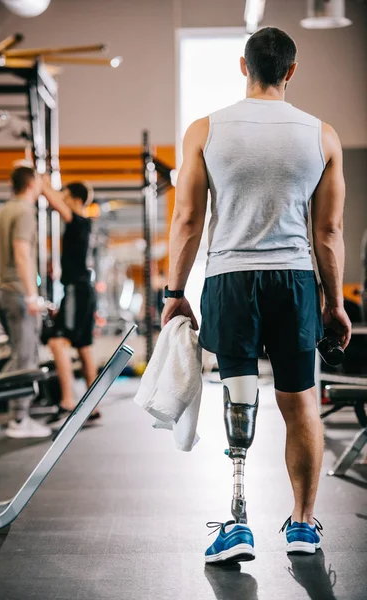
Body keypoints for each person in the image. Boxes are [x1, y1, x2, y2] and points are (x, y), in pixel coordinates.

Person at [161, 27, 352, 563]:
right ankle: (303, 525)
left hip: (230, 279)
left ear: (242, 66)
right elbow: (329, 233)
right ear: (291, 72)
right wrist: (333, 303)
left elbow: (188, 218)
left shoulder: (205, 130)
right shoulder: (323, 135)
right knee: (301, 404)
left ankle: (238, 523)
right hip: (293, 279)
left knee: (238, 398)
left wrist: (175, 291)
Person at [0, 166, 52, 438]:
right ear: (31, 184)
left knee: (18, 354)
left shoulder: (2, 211)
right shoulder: (25, 211)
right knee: (26, 356)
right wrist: (31, 294)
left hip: (2, 290)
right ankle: (18, 419)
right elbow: (22, 253)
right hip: (17, 292)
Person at [41, 179, 100, 426]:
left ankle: (68, 400)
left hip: (77, 290)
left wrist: (40, 180)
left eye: (65, 196)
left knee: (56, 342)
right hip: (83, 290)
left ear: (75, 199)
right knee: (83, 347)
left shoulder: (77, 221)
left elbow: (54, 201)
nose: (62, 200)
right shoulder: (84, 225)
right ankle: (93, 406)